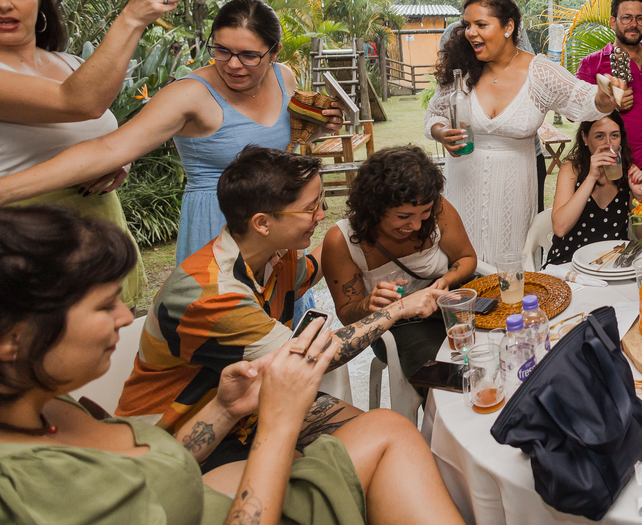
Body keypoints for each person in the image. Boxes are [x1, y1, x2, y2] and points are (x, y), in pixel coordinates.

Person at [0, 206, 464, 525]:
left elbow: (154, 473)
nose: (127, 317)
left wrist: (223, 410)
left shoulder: (41, 404)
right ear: (12, 340)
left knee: (388, 427)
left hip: (202, 490)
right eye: (104, 307)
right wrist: (278, 425)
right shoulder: (28, 483)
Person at [116, 147, 447, 471]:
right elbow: (311, 359)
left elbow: (318, 264)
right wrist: (399, 308)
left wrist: (366, 226)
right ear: (262, 223)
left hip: (257, 407)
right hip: (177, 445)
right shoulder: (213, 295)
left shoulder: (276, 254)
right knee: (370, 465)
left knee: (392, 435)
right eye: (310, 208)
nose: (321, 215)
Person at [0, 0, 343, 267]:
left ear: (274, 52)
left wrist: (317, 129)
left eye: (249, 55)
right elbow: (108, 150)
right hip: (219, 225)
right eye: (222, 50)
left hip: (277, 224)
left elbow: (281, 150)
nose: (233, 64)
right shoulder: (188, 95)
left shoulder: (284, 77)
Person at [0, 0, 180, 307]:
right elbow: (81, 102)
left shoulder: (66, 62)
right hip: (30, 242)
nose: (4, 4)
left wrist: (119, 160)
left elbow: (99, 131)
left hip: (101, 232)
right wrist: (132, 17)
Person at [426, 0, 624, 261]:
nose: (471, 33)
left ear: (508, 26)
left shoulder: (539, 72)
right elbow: (434, 115)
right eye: (468, 25)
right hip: (462, 182)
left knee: (511, 270)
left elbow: (582, 98)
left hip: (513, 189)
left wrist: (603, 98)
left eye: (481, 25)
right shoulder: (463, 69)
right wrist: (442, 134)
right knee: (459, 265)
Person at [321, 146, 478, 378]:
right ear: (373, 207)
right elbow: (346, 314)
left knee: (495, 335)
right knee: (443, 372)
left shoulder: (436, 207)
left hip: (447, 303)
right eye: (403, 217)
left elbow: (466, 258)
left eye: (424, 213)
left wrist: (446, 280)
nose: (415, 225)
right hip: (396, 326)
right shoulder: (341, 240)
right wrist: (368, 304)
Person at [438, 0, 548, 211]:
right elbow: (447, 99)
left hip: (525, 155)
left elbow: (532, 80)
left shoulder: (514, 28)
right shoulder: (455, 36)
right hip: (471, 155)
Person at [576, 0, 642, 176]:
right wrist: (609, 105)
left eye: (640, 18)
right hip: (611, 165)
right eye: (626, 18)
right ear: (613, 21)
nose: (634, 25)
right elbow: (575, 112)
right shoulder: (592, 63)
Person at [546, 113, 642, 265]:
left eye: (614, 135)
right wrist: (591, 177)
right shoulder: (571, 170)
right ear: (585, 138)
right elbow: (560, 228)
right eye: (599, 136)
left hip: (611, 264)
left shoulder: (627, 173)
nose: (608, 143)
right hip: (569, 263)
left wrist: (640, 197)